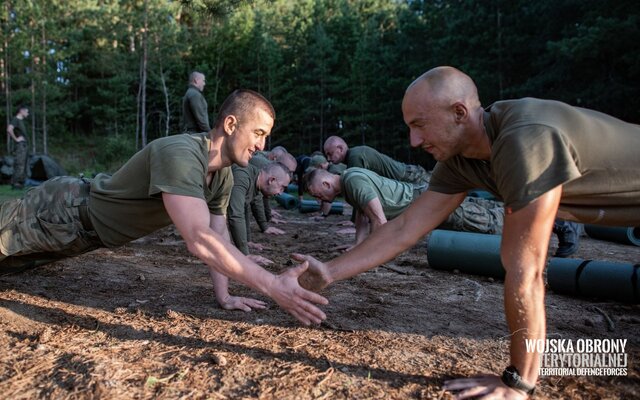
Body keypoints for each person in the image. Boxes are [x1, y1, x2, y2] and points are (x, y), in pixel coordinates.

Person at [295, 66, 640, 399]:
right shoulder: (460, 159)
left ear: (459, 112)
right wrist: (329, 272)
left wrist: (519, 382)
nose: (414, 141)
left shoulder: (524, 139)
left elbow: (527, 271)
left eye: (420, 126)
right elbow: (403, 228)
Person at [0, 89, 327, 325]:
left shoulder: (223, 175)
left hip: (82, 237)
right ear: (230, 125)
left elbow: (217, 235)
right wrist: (271, 285)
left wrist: (224, 297)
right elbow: (198, 238)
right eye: (258, 133)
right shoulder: (182, 154)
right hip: (61, 210)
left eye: (266, 136)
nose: (261, 146)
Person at [306, 167, 503, 246]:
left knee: (480, 221)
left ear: (326, 184)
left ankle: (525, 225)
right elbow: (362, 217)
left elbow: (379, 220)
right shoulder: (348, 183)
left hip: (426, 203)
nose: (319, 199)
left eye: (317, 194)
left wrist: (370, 256)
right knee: (481, 209)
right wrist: (358, 246)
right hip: (423, 199)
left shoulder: (352, 182)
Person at [228, 161, 291, 265]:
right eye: (282, 187)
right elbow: (235, 215)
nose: (280, 192)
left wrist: (247, 241)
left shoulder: (256, 182)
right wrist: (245, 255)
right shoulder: (243, 176)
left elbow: (245, 209)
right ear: (272, 180)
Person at [323, 136, 430, 186]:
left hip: (411, 178)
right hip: (408, 176)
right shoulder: (354, 154)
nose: (328, 159)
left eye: (330, 153)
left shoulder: (354, 158)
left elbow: (360, 192)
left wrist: (354, 223)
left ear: (340, 149)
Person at [6, 105, 29, 189]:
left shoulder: (21, 121)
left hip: (24, 145)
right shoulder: (15, 119)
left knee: (23, 164)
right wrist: (16, 139)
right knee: (19, 164)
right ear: (21, 111)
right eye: (26, 111)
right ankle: (15, 184)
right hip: (20, 146)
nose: (28, 113)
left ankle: (20, 184)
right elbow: (9, 129)